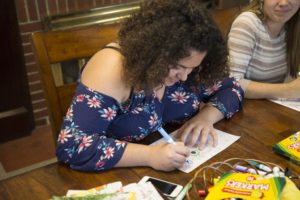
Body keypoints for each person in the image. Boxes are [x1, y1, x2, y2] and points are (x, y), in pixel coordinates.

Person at [56, 0, 244, 172]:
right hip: (119, 176)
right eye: (178, 66)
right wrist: (150, 155)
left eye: (192, 68)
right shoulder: (114, 67)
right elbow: (73, 146)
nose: (184, 76)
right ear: (155, 52)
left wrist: (205, 118)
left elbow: (232, 88)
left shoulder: (189, 67)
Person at [228, 0, 300, 99]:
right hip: (245, 108)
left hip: (274, 106)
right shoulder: (247, 22)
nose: (283, 3)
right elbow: (231, 84)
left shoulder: (294, 24)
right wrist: (288, 90)